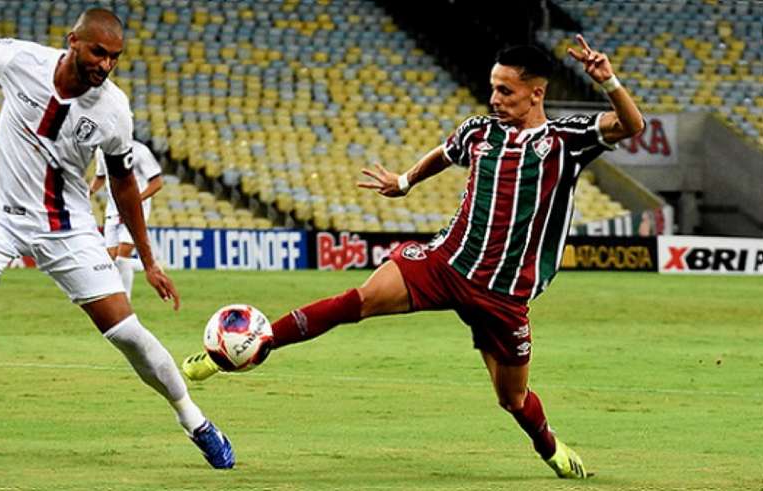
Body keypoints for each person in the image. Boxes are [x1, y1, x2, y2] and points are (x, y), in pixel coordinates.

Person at [184, 35, 645, 478]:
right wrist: (404, 181)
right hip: (446, 261)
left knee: (513, 399)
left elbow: (631, 125)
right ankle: (247, 348)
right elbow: (444, 154)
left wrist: (608, 81)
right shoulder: (479, 132)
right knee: (357, 300)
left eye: (506, 90)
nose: (494, 98)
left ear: (536, 94)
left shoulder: (566, 140)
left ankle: (551, 448)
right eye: (492, 87)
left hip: (504, 295)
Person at [0, 8, 234, 469]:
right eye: (98, 52)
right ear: (73, 42)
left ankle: (196, 421)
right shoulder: (17, 60)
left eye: (115, 58)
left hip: (66, 226)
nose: (105, 64)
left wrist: (150, 261)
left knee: (128, 334)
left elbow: (124, 185)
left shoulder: (114, 110)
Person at [90, 139, 163, 300]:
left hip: (135, 211)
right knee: (112, 260)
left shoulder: (140, 150)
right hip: (112, 211)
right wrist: (88, 192)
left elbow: (157, 182)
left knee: (122, 257)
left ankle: (126, 302)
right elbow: (100, 176)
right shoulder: (101, 151)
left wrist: (135, 201)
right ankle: (153, 265)